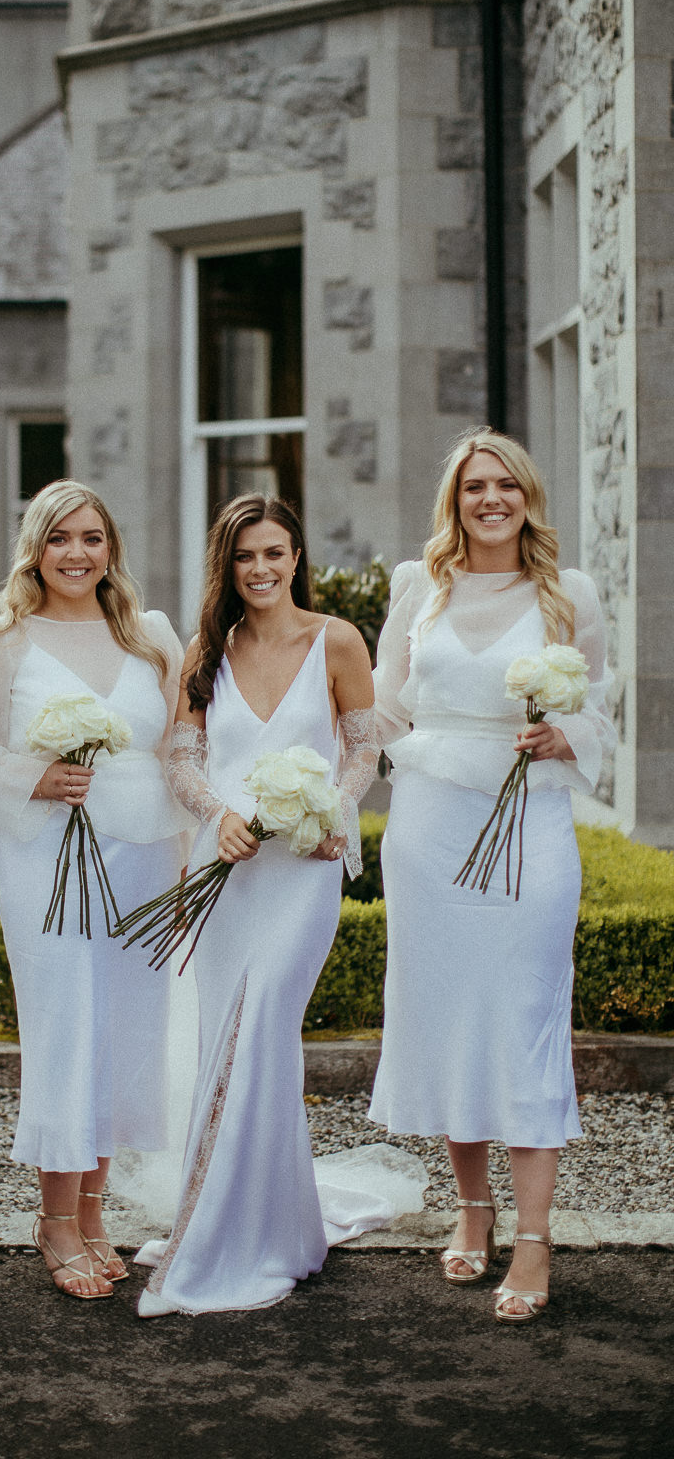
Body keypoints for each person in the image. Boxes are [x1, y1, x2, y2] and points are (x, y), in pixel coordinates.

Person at [368, 427, 615, 1324]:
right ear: (455, 500)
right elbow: (386, 705)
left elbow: (601, 711)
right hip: (430, 827)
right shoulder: (417, 589)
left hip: (530, 824)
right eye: (475, 486)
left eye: (506, 484)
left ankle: (535, 1238)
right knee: (452, 1018)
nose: (491, 499)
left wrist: (565, 735)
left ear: (528, 496)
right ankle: (474, 1214)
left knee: (525, 1015)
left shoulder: (567, 596)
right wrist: (326, 776)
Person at [134, 494, 382, 1318]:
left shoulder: (336, 640)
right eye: (247, 556)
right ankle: (260, 1221)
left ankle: (238, 1234)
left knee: (264, 1023)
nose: (263, 569)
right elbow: (182, 758)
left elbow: (362, 748)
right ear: (228, 566)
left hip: (303, 872)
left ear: (296, 557)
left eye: (275, 553)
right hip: (228, 872)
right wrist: (217, 815)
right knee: (227, 1043)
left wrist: (332, 818)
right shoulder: (209, 649)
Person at [0, 479, 190, 1301]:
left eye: (92, 537)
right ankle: (54, 1219)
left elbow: (179, 750)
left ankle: (94, 1214)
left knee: (126, 1031)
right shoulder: (4, 641)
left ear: (111, 550)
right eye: (60, 538)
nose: (76, 553)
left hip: (141, 856)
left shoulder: (151, 637)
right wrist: (37, 771)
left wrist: (190, 859)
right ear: (36, 547)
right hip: (48, 860)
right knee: (64, 1025)